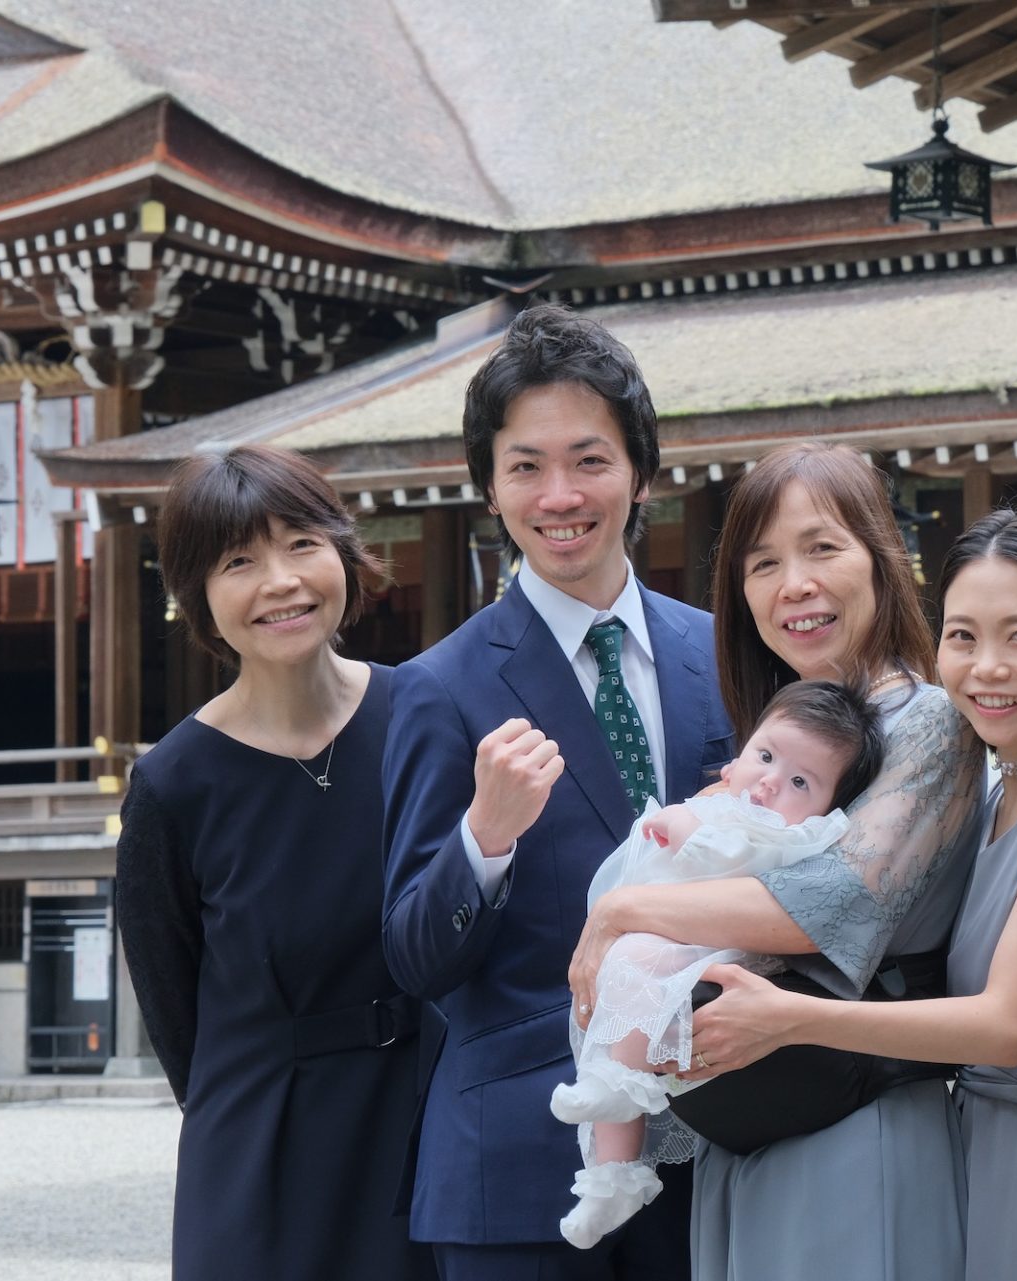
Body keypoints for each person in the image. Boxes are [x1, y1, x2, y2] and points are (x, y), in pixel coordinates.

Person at [686, 504, 1017, 1281]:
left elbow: (1007, 1026)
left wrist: (789, 1017)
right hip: (987, 1156)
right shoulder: (1001, 792)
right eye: (963, 636)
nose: (986, 667)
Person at [566, 442, 985, 1281]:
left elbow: (827, 901)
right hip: (756, 1122)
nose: (793, 583)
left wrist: (620, 913)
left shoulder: (929, 720)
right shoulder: (785, 737)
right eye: (763, 563)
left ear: (883, 557)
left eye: (822, 548)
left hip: (853, 1120)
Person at [381, 303, 734, 1281]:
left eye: (590, 460)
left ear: (641, 474)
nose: (560, 494)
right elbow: (413, 956)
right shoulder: (437, 689)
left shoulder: (725, 658)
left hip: (716, 1148)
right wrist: (482, 839)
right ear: (489, 489)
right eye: (525, 467)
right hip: (519, 1167)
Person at [116, 444, 435, 1281]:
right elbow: (171, 1006)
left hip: (423, 1123)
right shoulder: (173, 783)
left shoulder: (426, 713)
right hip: (262, 1146)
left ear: (342, 552)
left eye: (301, 543)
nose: (280, 581)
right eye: (238, 560)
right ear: (198, 596)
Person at [552, 679, 886, 1251]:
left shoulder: (794, 834)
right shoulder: (729, 799)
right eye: (765, 755)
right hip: (668, 943)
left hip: (718, 951)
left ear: (828, 805)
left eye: (801, 781)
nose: (772, 780)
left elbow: (733, 859)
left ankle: (619, 1101)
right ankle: (611, 1179)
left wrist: (684, 828)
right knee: (613, 1018)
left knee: (631, 978)